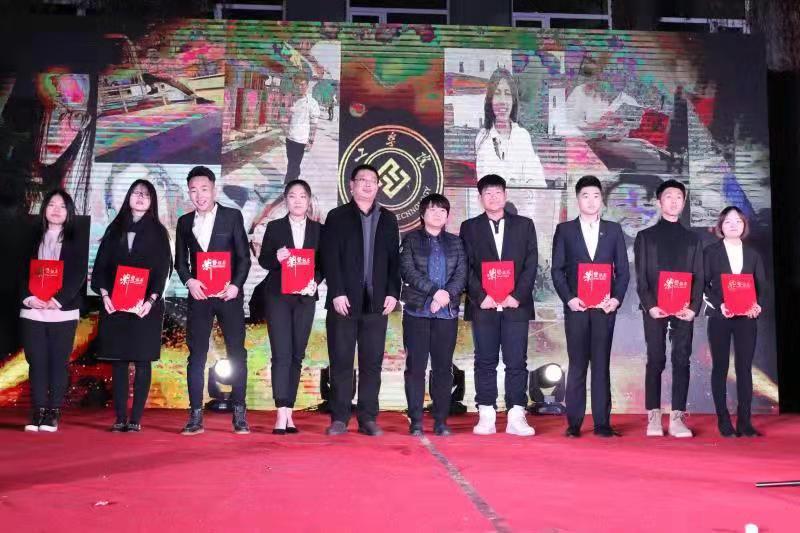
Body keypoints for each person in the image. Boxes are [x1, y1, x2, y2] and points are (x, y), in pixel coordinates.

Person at [321, 164, 400, 436]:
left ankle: (368, 418)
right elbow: (329, 257)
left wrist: (393, 293)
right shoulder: (337, 216)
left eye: (373, 180)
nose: (368, 184)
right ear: (351, 185)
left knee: (372, 363)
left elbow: (394, 260)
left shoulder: (388, 219)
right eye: (362, 180)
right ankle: (340, 417)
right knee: (341, 360)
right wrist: (337, 291)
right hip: (344, 301)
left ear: (378, 186)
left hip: (377, 303)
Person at [175, 166, 252, 435]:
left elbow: (244, 258)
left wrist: (236, 285)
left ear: (214, 189)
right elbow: (180, 262)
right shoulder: (184, 222)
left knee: (237, 353)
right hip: (200, 296)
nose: (199, 195)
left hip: (228, 296)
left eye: (204, 189)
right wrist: (190, 281)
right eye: (193, 190)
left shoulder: (232, 216)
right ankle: (195, 415)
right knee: (196, 355)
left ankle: (239, 413)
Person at [460, 174, 538, 436]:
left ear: (505, 195)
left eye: (497, 192)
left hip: (516, 305)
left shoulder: (525, 225)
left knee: (517, 361)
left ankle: (516, 414)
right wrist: (481, 296)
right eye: (487, 193)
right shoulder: (469, 227)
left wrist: (517, 295)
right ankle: (486, 413)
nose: (493, 197)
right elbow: (465, 266)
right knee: (485, 360)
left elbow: (531, 263)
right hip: (483, 305)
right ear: (480, 198)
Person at [551, 176, 630, 438]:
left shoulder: (613, 230)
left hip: (604, 309)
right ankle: (573, 423)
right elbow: (557, 270)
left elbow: (623, 271)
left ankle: (602, 423)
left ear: (602, 199)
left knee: (601, 364)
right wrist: (569, 299)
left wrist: (615, 300)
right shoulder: (565, 230)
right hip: (577, 308)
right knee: (577, 365)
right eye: (586, 195)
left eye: (596, 195)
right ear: (578, 199)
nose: (591, 200)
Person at [91, 180, 172, 432]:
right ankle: (119, 417)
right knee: (119, 361)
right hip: (115, 304)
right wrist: (105, 295)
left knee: (143, 360)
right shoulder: (114, 229)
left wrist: (151, 300)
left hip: (145, 307)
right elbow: (101, 266)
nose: (140, 197)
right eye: (136, 193)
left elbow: (163, 270)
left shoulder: (159, 232)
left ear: (152, 201)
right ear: (128, 197)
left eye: (146, 194)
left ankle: (135, 418)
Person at [634, 179, 703, 438]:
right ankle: (653, 415)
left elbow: (699, 275)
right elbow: (641, 278)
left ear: (684, 203)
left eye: (679, 197)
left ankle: (677, 418)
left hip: (684, 308)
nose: (674, 201)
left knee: (682, 358)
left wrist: (693, 307)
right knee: (656, 358)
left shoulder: (692, 239)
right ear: (659, 202)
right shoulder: (645, 237)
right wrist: (650, 306)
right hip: (655, 309)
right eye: (669, 197)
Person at [258, 179, 322, 434]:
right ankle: (280, 413)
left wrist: (316, 281)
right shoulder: (275, 227)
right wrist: (277, 257)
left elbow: (323, 264)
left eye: (302, 196)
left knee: (297, 354)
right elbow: (264, 260)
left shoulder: (319, 230)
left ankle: (290, 412)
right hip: (278, 297)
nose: (297, 200)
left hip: (305, 298)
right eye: (293, 196)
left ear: (309, 201)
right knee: (280, 354)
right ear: (286, 200)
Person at [400, 193, 467, 437]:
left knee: (442, 368)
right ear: (422, 214)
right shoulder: (411, 240)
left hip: (446, 314)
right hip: (417, 311)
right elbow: (408, 270)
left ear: (447, 216)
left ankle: (441, 420)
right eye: (432, 209)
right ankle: (416, 420)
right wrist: (434, 292)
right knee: (415, 368)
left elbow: (461, 273)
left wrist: (446, 294)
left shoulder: (456, 242)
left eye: (442, 211)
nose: (437, 214)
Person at [19, 189, 87, 432]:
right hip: (33, 310)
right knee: (36, 361)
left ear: (69, 212)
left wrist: (57, 300)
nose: (56, 210)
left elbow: (78, 273)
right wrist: (29, 298)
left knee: (59, 362)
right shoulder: (30, 237)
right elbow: (18, 270)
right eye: (51, 205)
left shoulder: (76, 239)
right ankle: (37, 410)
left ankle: (53, 412)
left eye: (62, 206)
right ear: (44, 209)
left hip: (63, 311)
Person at [703, 206, 766, 437]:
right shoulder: (710, 252)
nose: (733, 225)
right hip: (720, 317)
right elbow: (703, 285)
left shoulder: (753, 254)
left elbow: (761, 287)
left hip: (746, 318)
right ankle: (723, 420)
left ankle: (745, 422)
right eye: (728, 221)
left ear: (744, 225)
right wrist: (720, 305)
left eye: (738, 221)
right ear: (721, 225)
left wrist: (757, 305)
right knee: (720, 367)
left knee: (744, 368)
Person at [474, 68, 546, 188]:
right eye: (497, 94)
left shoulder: (522, 136)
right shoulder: (483, 138)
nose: (503, 101)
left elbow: (538, 181)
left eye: (507, 94)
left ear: (513, 101)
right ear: (490, 100)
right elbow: (486, 184)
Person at [284, 73, 320, 182]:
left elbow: (314, 124)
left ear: (307, 86)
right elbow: (288, 117)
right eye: (298, 84)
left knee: (293, 165)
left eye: (302, 85)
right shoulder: (293, 99)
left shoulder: (312, 103)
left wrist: (311, 140)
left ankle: (288, 184)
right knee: (291, 163)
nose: (300, 87)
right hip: (290, 138)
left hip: (301, 140)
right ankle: (295, 179)